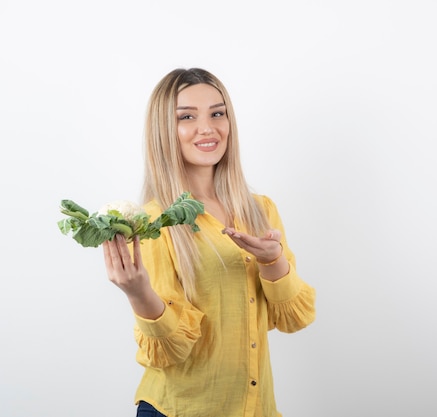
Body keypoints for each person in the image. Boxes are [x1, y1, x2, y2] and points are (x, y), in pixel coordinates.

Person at [102, 67, 316, 417]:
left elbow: (294, 318)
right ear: (164, 131)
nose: (208, 128)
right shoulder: (152, 224)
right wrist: (139, 293)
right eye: (187, 117)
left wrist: (273, 261)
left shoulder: (261, 211)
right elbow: (169, 352)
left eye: (218, 113)